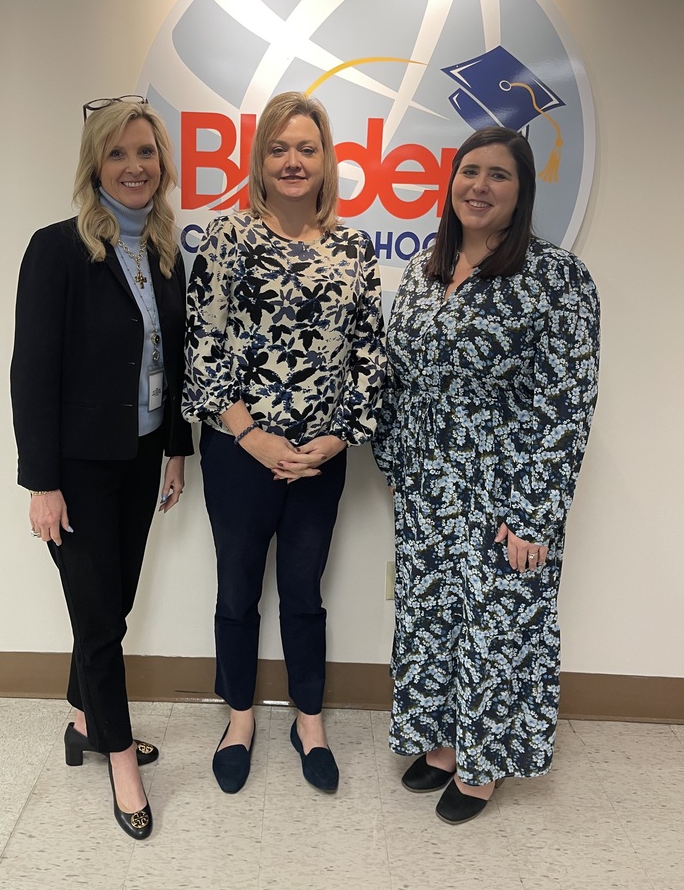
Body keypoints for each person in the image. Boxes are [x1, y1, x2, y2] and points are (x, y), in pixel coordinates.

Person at [373, 125, 600, 825]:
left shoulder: (557, 278)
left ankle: (484, 764)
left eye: (498, 175)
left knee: (500, 631)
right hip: (427, 490)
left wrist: (535, 513)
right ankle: (444, 739)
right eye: (469, 171)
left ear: (523, 191)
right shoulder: (422, 274)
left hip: (508, 492)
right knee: (434, 618)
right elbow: (398, 380)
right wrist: (395, 463)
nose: (479, 185)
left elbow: (567, 402)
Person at [183, 91, 385, 794]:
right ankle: (239, 716)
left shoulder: (356, 249)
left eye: (307, 148)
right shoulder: (225, 239)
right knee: (237, 590)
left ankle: (309, 720)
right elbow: (203, 353)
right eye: (279, 148)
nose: (293, 161)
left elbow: (369, 357)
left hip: (319, 462)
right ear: (260, 161)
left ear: (327, 160)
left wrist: (336, 441)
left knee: (303, 591)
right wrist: (251, 436)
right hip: (241, 456)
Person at [11, 96, 192, 839]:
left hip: (143, 453)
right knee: (99, 619)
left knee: (108, 608)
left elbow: (173, 363)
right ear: (94, 166)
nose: (134, 166)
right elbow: (31, 371)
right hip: (78, 468)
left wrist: (177, 446)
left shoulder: (165, 253)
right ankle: (120, 757)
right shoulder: (56, 249)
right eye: (118, 154)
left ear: (161, 164)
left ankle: (85, 716)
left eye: (145, 152)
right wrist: (41, 482)